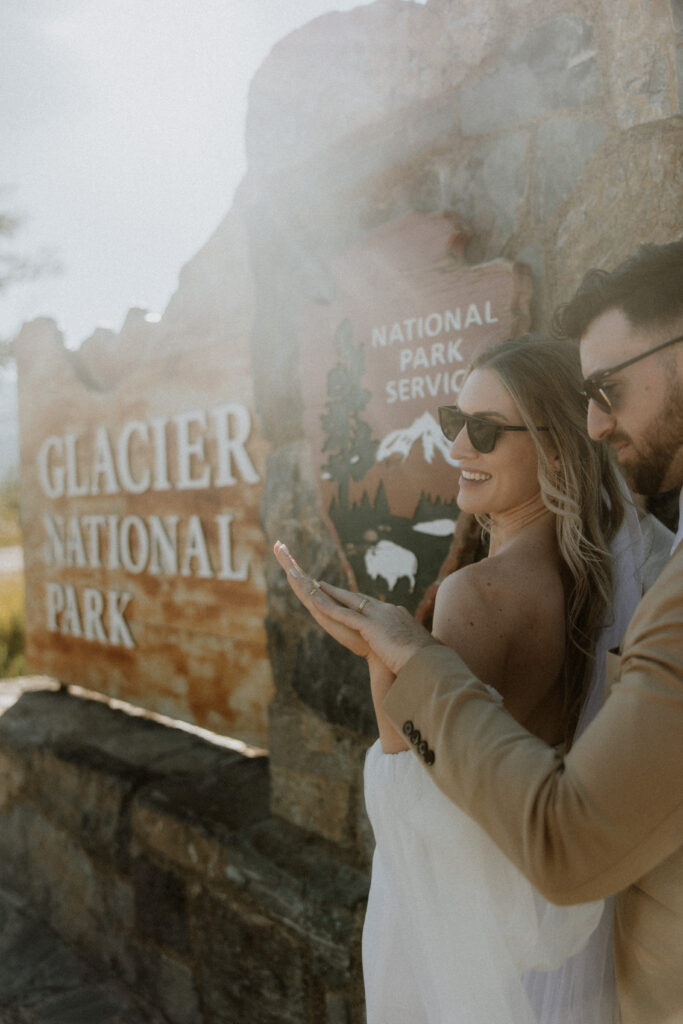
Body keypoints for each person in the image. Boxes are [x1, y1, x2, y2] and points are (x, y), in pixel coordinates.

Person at [274, 240, 683, 1024]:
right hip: (598, 957)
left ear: (556, 452)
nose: (454, 445)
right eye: (451, 419)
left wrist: (392, 659)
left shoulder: (476, 596)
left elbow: (429, 819)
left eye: (484, 431)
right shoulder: (638, 569)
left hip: (509, 962)